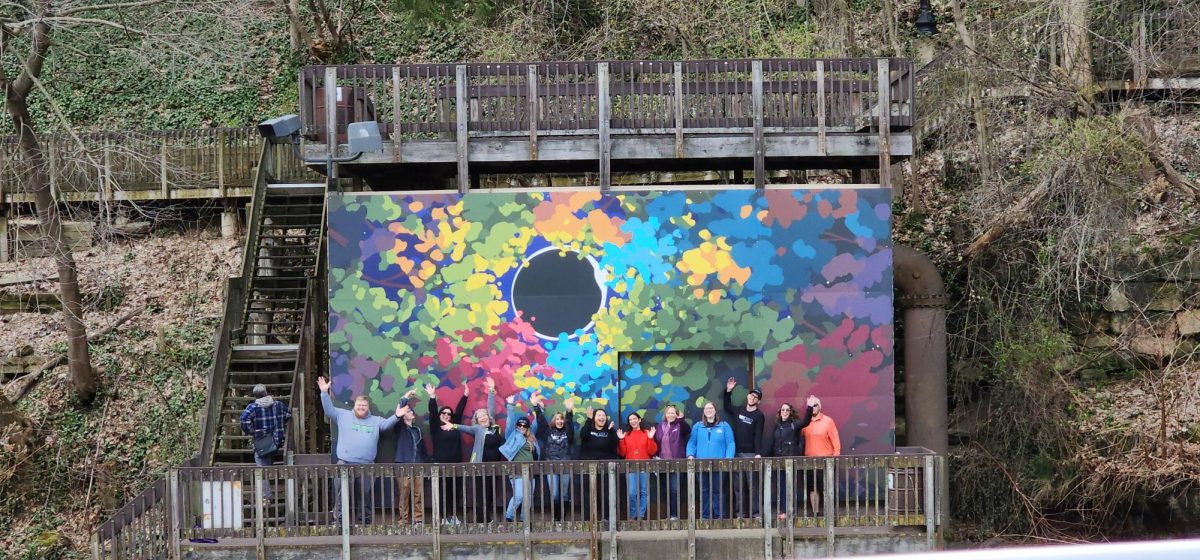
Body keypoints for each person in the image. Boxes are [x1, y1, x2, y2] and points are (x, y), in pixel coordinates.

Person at [317, 376, 404, 525]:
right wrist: (324, 393)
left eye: (364, 405)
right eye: (359, 405)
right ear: (354, 406)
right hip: (344, 463)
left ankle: (365, 523)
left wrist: (396, 416)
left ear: (368, 407)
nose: (361, 407)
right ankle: (339, 522)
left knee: (365, 495)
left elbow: (387, 425)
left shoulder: (376, 420)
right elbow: (328, 409)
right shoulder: (342, 415)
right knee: (341, 493)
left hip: (367, 465)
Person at [441, 377, 503, 522]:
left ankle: (489, 519)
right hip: (480, 466)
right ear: (477, 420)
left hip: (495, 467)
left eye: (484, 415)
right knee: (481, 494)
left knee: (491, 493)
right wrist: (453, 426)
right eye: (479, 416)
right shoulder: (477, 429)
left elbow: (492, 409)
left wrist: (491, 391)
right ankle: (483, 521)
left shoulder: (495, 428)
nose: (483, 418)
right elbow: (466, 428)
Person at [238, 384, 292, 499]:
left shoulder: (253, 408)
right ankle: (276, 493)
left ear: (255, 396)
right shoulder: (278, 405)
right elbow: (288, 414)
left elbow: (243, 420)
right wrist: (279, 425)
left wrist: (252, 431)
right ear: (266, 392)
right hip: (277, 442)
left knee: (261, 468)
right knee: (267, 463)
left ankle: (265, 497)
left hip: (263, 443)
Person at [723, 377, 766, 518]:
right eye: (751, 395)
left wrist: (758, 453)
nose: (752, 398)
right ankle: (740, 513)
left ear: (758, 401)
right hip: (737, 454)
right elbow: (727, 406)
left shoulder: (759, 415)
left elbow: (758, 435)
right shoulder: (739, 410)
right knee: (738, 486)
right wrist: (729, 390)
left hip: (750, 454)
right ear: (748, 396)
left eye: (756, 397)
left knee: (753, 486)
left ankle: (755, 513)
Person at [427, 381, 469, 524]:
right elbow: (432, 413)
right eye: (444, 413)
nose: (446, 415)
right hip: (440, 465)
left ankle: (454, 516)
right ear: (440, 415)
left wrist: (465, 396)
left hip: (456, 465)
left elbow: (459, 411)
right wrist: (432, 397)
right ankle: (443, 518)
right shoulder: (435, 428)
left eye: (449, 414)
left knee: (455, 492)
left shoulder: (454, 426)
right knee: (442, 491)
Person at [686, 401, 735, 519]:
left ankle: (720, 516)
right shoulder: (697, 426)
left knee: (718, 490)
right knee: (704, 491)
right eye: (706, 408)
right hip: (701, 465)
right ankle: (705, 517)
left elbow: (730, 443)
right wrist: (690, 455)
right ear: (704, 411)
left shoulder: (724, 426)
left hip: (719, 465)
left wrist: (728, 458)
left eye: (711, 408)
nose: (708, 410)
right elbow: (692, 442)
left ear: (715, 410)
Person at [767, 397, 815, 518]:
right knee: (782, 486)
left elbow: (806, 422)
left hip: (791, 461)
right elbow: (773, 443)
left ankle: (791, 510)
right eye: (783, 410)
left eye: (787, 410)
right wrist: (762, 456)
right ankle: (784, 510)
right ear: (780, 412)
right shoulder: (777, 426)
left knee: (791, 486)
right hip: (780, 461)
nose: (785, 412)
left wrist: (809, 406)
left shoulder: (794, 425)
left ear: (790, 412)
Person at [499, 392, 542, 522]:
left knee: (528, 497)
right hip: (517, 471)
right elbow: (509, 422)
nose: (522, 427)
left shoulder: (531, 436)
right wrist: (510, 405)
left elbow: (537, 422)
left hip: (530, 471)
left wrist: (538, 407)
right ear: (517, 426)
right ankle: (509, 517)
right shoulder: (511, 435)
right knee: (519, 496)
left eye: (524, 425)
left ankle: (524, 519)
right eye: (520, 425)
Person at [534, 395, 576, 517]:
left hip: (565, 465)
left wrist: (568, 412)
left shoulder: (568, 433)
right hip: (550, 465)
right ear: (554, 420)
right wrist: (536, 407)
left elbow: (569, 424)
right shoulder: (548, 432)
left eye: (561, 419)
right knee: (554, 494)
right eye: (557, 419)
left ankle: (562, 518)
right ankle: (556, 517)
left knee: (564, 494)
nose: (559, 421)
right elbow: (541, 422)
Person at [801, 396, 841, 515]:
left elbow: (835, 439)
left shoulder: (828, 421)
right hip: (809, 461)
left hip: (826, 461)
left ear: (820, 407)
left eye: (815, 405)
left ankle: (829, 514)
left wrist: (835, 456)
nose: (813, 408)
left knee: (827, 489)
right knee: (812, 489)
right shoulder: (805, 423)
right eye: (811, 405)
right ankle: (816, 514)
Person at [578, 407, 619, 521]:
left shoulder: (609, 430)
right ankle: (588, 518)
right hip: (589, 467)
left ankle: (606, 517)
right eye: (599, 415)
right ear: (594, 418)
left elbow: (615, 445)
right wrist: (588, 419)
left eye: (603, 416)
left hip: (605, 468)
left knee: (606, 492)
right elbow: (583, 435)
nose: (601, 418)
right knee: (588, 493)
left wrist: (611, 432)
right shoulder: (589, 429)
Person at [393, 389, 426, 525]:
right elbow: (400, 409)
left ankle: (418, 519)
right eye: (408, 411)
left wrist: (426, 465)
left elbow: (423, 449)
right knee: (404, 493)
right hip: (403, 463)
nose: (411, 412)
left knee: (418, 494)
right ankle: (403, 520)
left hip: (418, 464)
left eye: (411, 411)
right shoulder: (399, 427)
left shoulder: (417, 430)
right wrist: (406, 396)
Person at [653, 404, 691, 520]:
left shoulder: (680, 425)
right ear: (665, 414)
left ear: (676, 414)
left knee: (675, 489)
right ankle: (669, 514)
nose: (671, 415)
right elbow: (656, 443)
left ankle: (675, 515)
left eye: (673, 413)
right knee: (666, 489)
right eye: (669, 413)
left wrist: (682, 419)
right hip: (662, 463)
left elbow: (687, 430)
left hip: (677, 463)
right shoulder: (660, 426)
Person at [617, 412, 657, 520]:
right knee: (631, 493)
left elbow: (652, 451)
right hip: (630, 467)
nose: (633, 421)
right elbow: (622, 453)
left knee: (644, 492)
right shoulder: (626, 435)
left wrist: (650, 438)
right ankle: (633, 515)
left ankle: (641, 515)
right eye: (630, 420)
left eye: (635, 419)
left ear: (639, 420)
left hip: (645, 466)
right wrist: (621, 440)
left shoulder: (646, 433)